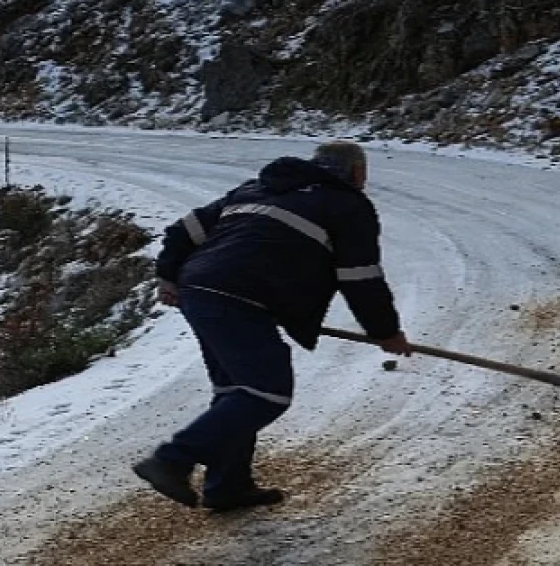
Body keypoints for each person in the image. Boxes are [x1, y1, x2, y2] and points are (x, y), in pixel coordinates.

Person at [132, 141, 411, 512]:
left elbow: (184, 231)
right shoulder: (348, 206)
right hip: (240, 298)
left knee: (237, 390)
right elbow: (361, 278)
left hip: (198, 290)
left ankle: (227, 486)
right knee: (266, 393)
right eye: (363, 174)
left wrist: (169, 276)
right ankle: (173, 459)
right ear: (356, 173)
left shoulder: (255, 188)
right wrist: (385, 331)